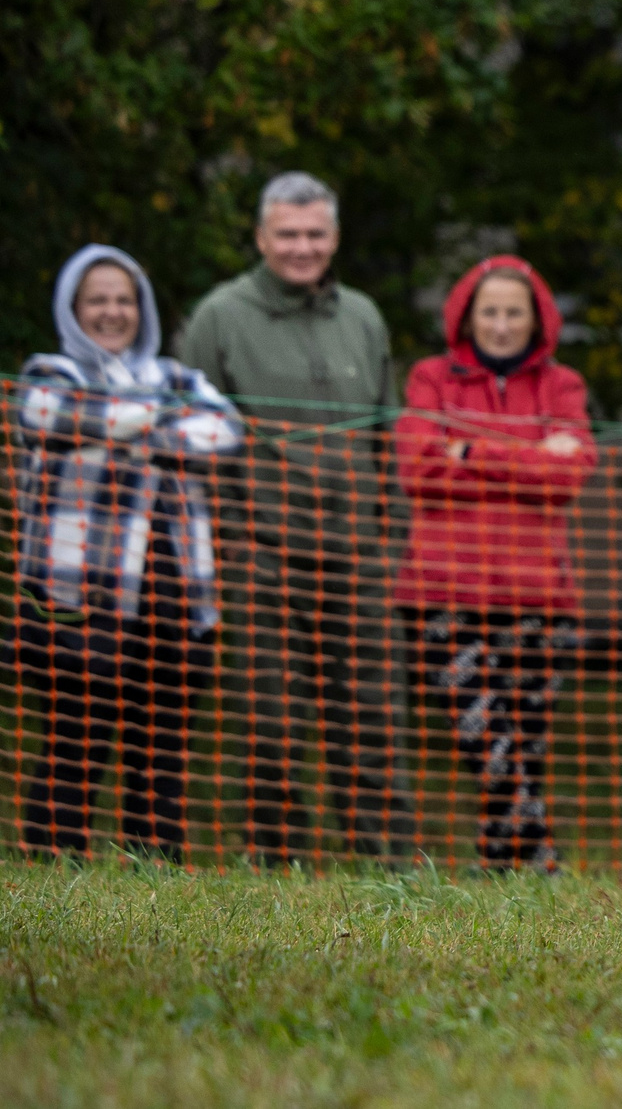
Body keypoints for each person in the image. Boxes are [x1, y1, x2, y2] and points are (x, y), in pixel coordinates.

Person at [176, 171, 418, 863]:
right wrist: (232, 539)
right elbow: (193, 437)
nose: (301, 247)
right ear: (261, 237)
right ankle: (276, 863)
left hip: (359, 556)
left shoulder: (362, 316)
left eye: (315, 234)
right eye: (287, 234)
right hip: (262, 555)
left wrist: (389, 537)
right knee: (270, 718)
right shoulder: (219, 316)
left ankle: (386, 862)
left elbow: (387, 435)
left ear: (335, 238)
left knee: (373, 715)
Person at [15, 246, 243, 857]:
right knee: (73, 746)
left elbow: (225, 430)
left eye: (124, 300)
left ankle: (155, 876)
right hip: (75, 601)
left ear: (142, 309)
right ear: (72, 309)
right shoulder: (49, 374)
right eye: (97, 300)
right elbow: (54, 416)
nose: (112, 312)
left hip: (177, 598)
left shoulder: (176, 376)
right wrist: (164, 424)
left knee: (162, 754)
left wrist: (124, 427)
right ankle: (54, 870)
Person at [392, 256, 596, 873]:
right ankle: (542, 860)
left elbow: (570, 475)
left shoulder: (563, 386)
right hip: (443, 594)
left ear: (537, 320)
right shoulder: (430, 378)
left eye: (514, 312)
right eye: (489, 312)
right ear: (466, 317)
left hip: (540, 597)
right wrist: (530, 453)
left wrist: (466, 451)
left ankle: (500, 869)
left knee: (524, 747)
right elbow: (416, 469)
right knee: (488, 740)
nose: (502, 325)